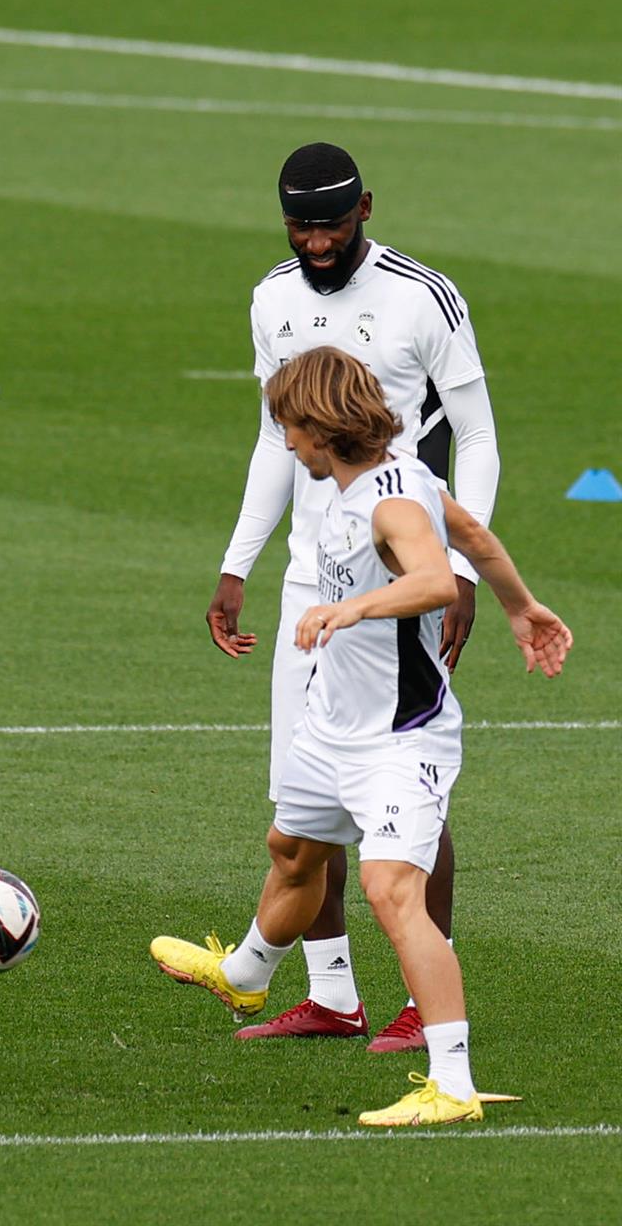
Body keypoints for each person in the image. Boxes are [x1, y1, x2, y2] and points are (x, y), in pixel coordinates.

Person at [153, 346, 570, 1126]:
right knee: (293, 850)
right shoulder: (402, 474)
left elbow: (437, 578)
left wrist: (349, 610)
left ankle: (452, 1084)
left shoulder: (387, 503)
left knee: (389, 890)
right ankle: (246, 971)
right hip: (332, 727)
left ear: (319, 427)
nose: (285, 444)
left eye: (289, 429)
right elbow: (473, 535)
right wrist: (522, 606)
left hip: (398, 741)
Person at [206, 142, 501, 1048]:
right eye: (302, 224)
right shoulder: (271, 299)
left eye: (333, 223)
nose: (318, 240)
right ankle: (332, 996)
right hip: (311, 579)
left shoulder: (423, 297)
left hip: (401, 570)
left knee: (404, 792)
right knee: (306, 795)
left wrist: (455, 573)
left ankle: (425, 997)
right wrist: (237, 562)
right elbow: (272, 441)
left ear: (365, 208)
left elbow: (478, 436)